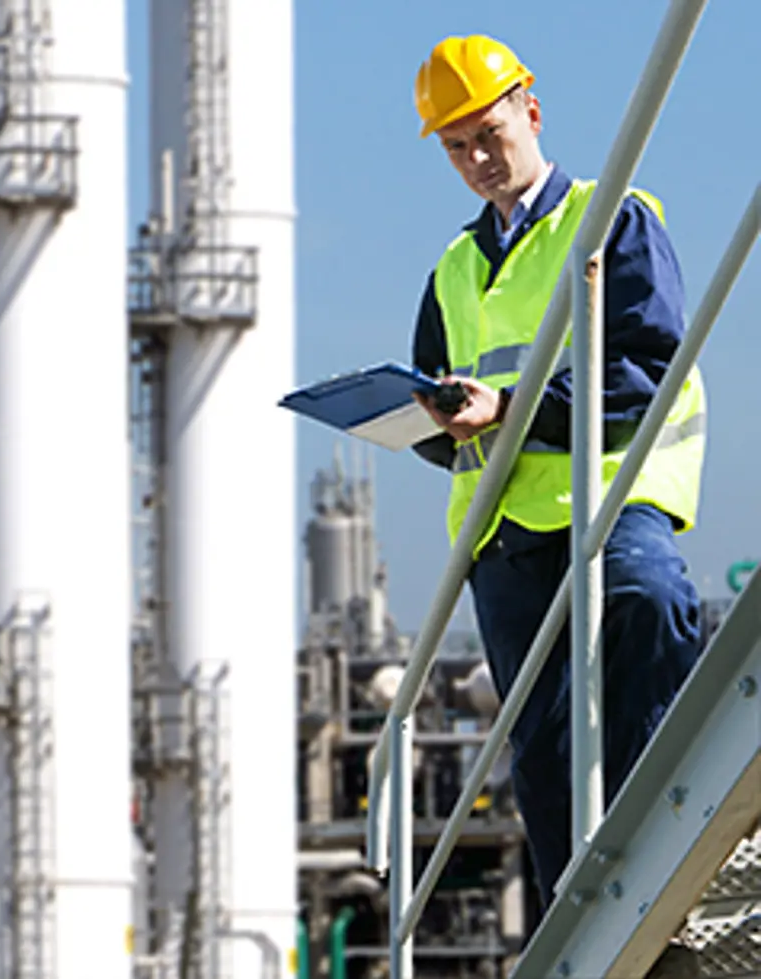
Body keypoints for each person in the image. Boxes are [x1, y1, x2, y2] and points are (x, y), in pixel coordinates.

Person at [407, 34, 708, 976]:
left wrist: (514, 409)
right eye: (457, 147)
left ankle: (680, 852)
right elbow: (439, 402)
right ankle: (583, 930)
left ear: (531, 112)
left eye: (489, 133)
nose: (478, 158)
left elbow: (646, 368)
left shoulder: (608, 220)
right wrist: (426, 418)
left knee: (651, 604)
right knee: (541, 752)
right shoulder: (453, 269)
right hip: (505, 538)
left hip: (608, 498)